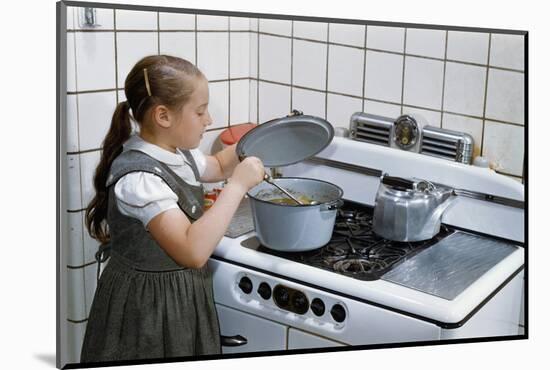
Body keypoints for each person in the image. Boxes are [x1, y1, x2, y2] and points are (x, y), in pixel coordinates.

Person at [80, 55, 265, 363]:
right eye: (200, 111)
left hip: (179, 297)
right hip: (146, 308)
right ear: (163, 116)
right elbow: (192, 252)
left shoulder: (179, 153)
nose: (208, 121)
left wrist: (258, 138)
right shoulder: (140, 179)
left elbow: (218, 164)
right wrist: (237, 185)